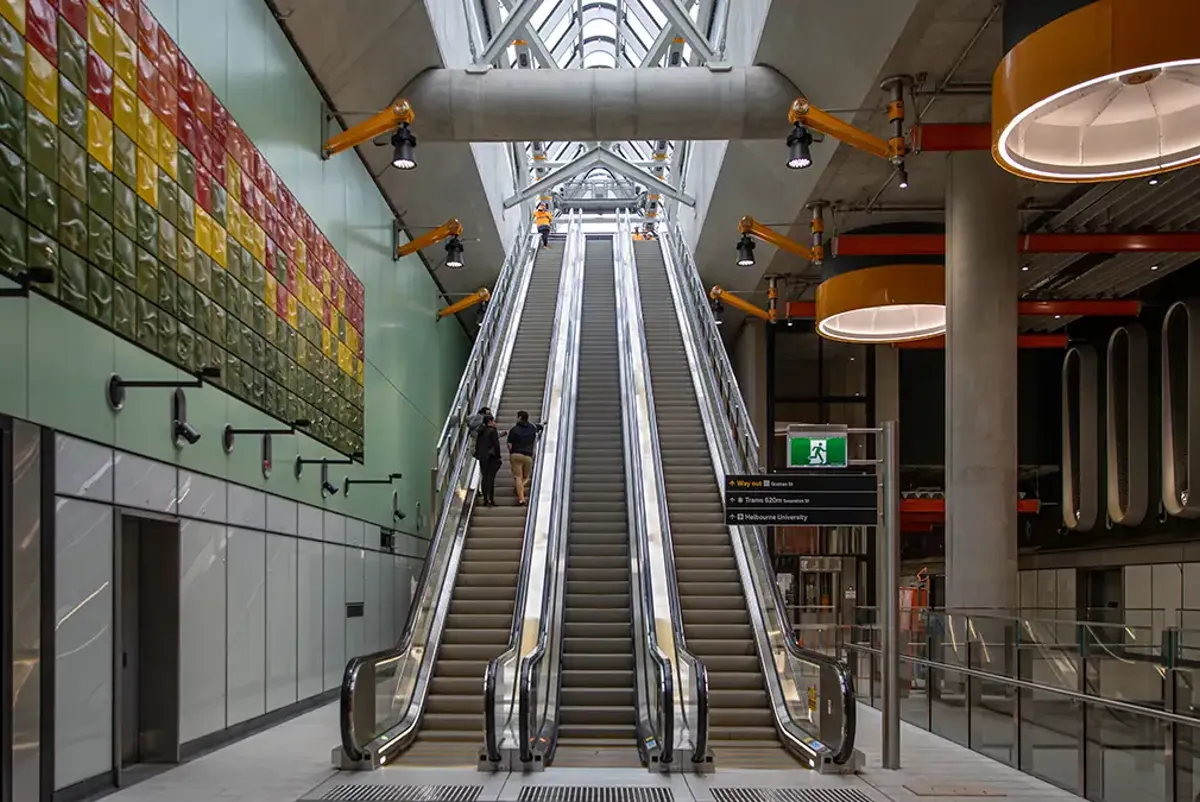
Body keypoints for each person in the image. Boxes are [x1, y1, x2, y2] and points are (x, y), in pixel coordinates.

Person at [506, 410, 543, 506]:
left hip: (516, 455)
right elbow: (539, 427)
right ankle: (520, 488)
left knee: (518, 476)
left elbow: (509, 444)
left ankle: (521, 498)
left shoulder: (514, 429)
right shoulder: (532, 428)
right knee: (526, 476)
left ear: (520, 418)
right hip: (528, 456)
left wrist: (512, 451)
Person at [474, 414, 502, 507]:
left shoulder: (480, 431)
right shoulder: (492, 431)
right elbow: (496, 445)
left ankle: (485, 500)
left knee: (484, 478)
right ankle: (491, 500)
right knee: (490, 479)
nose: (495, 423)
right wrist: (498, 456)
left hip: (482, 457)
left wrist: (478, 454)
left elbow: (477, 444)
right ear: (490, 421)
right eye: (493, 421)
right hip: (491, 457)